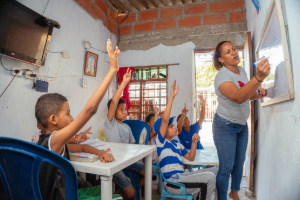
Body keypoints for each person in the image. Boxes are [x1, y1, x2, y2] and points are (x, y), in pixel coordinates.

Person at [35, 39, 120, 200]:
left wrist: (98, 152)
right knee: (114, 197)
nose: (72, 117)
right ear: (53, 119)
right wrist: (112, 70)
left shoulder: (55, 144)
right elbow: (90, 110)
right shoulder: (51, 141)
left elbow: (81, 148)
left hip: (68, 191)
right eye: (67, 113)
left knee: (112, 193)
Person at [212, 41, 270, 200]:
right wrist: (258, 77)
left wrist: (258, 94)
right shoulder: (222, 76)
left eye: (234, 49)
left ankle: (234, 192)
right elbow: (238, 97)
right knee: (226, 167)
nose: (234, 53)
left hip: (241, 126)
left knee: (239, 163)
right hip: (224, 126)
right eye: (228, 52)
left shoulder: (242, 71)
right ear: (222, 59)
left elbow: (246, 94)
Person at [155, 79, 217, 200]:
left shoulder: (177, 144)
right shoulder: (161, 142)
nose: (174, 127)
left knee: (214, 171)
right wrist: (172, 97)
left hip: (183, 176)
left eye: (173, 125)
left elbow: (191, 158)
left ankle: (200, 196)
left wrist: (194, 143)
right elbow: (165, 120)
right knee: (209, 178)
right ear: (163, 130)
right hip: (173, 182)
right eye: (171, 126)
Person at [104, 68, 148, 199]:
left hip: (127, 161)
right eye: (121, 109)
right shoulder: (110, 123)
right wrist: (123, 84)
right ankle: (117, 195)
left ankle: (124, 194)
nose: (125, 112)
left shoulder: (127, 127)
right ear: (113, 111)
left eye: (125, 109)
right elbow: (113, 103)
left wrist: (139, 157)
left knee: (149, 171)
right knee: (130, 193)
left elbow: (134, 146)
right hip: (114, 162)